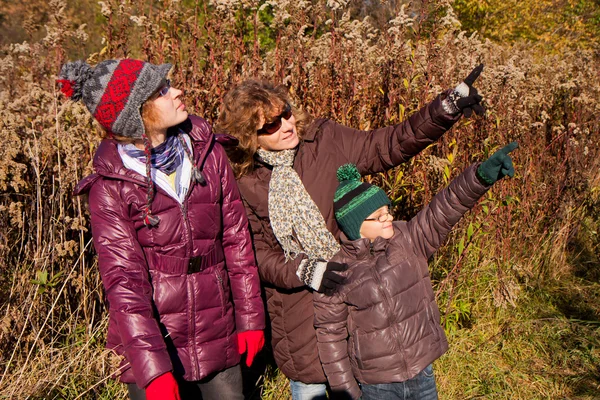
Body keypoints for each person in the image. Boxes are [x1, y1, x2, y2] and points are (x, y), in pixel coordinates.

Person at [215, 66, 486, 399]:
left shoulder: (324, 140)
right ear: (248, 136)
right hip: (302, 321)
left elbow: (387, 144)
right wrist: (303, 270)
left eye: (285, 113)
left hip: (363, 311)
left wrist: (446, 107)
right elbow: (254, 253)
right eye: (271, 124)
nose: (287, 125)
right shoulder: (244, 180)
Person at [59, 58, 265, 400]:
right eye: (162, 90)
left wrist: (250, 318)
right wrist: (153, 370)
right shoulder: (109, 186)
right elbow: (124, 282)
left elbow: (236, 239)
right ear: (137, 114)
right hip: (155, 336)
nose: (177, 91)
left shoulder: (207, 152)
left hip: (218, 323)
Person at [314, 143, 518, 400]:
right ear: (356, 226)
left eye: (387, 210)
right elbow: (330, 339)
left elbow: (445, 208)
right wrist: (346, 394)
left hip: (422, 373)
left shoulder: (408, 239)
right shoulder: (337, 272)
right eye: (378, 216)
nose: (388, 217)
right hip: (378, 386)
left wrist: (479, 177)